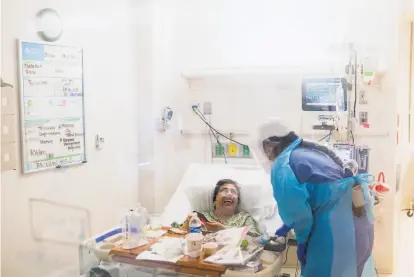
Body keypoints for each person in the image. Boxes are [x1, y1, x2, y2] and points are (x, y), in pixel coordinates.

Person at [252, 119, 375, 277]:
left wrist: (302, 242)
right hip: (361, 228)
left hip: (336, 239)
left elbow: (299, 215)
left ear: (269, 145)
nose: (266, 157)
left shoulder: (283, 166)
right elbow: (319, 195)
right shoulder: (309, 152)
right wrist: (287, 227)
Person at [181, 179, 261, 237]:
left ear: (237, 202)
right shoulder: (200, 218)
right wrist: (185, 227)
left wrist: (222, 229)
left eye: (233, 192)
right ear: (214, 200)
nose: (229, 194)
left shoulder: (245, 218)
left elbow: (255, 241)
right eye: (224, 191)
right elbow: (180, 236)